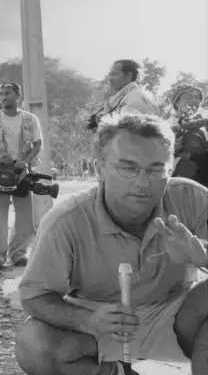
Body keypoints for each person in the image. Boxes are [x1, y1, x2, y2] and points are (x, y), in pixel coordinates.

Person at [15, 113, 208, 375]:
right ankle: (114, 371)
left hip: (178, 315)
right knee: (33, 344)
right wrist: (88, 320)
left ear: (170, 169)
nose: (142, 182)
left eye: (155, 169)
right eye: (128, 168)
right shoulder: (65, 221)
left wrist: (203, 258)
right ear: (100, 169)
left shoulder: (191, 197)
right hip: (100, 324)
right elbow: (34, 296)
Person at [0, 81, 43, 269]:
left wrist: (25, 161)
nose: (4, 97)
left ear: (17, 96)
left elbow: (37, 145)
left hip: (21, 173)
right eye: (2, 94)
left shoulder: (30, 119)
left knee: (25, 218)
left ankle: (18, 254)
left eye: (8, 93)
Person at [166, 84, 208, 186]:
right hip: (180, 174)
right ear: (177, 102)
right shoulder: (171, 121)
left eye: (198, 98)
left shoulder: (202, 121)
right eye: (189, 96)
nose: (195, 100)